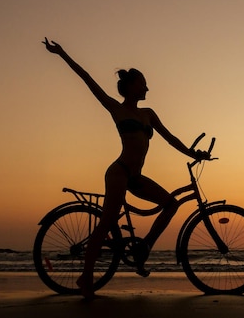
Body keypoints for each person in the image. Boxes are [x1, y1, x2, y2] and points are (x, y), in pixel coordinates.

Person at [42, 38, 209, 300]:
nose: (147, 88)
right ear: (131, 86)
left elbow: (171, 139)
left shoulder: (149, 114)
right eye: (143, 83)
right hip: (118, 172)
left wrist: (193, 153)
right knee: (107, 221)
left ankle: (142, 252)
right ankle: (85, 278)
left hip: (136, 177)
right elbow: (86, 78)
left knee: (171, 204)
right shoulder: (116, 109)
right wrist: (61, 53)